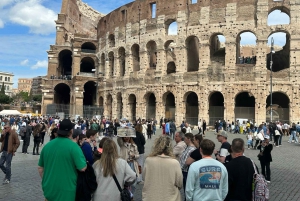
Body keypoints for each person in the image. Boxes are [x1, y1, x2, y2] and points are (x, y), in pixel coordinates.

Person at [38, 119, 87, 201]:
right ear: (71, 131)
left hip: (49, 188)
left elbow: (40, 168)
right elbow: (82, 168)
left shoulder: (47, 146)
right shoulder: (74, 147)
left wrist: (46, 179)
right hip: (67, 190)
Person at [142, 136, 182, 201]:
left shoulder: (148, 160)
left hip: (151, 197)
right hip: (170, 197)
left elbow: (144, 177)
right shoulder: (175, 163)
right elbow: (179, 183)